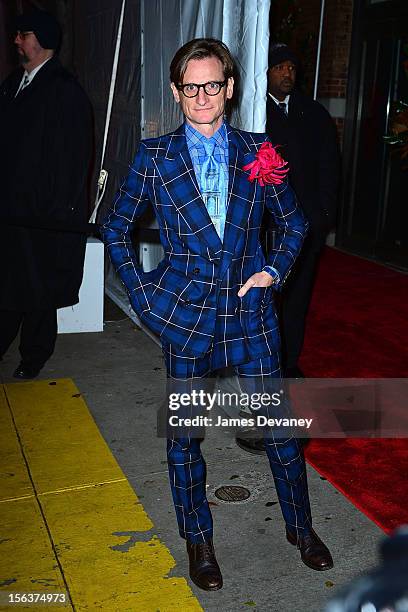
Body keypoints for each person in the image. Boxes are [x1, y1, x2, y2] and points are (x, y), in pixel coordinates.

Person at [101, 38, 333, 592]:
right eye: (191, 86)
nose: (202, 96)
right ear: (177, 92)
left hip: (252, 317)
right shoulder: (154, 157)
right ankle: (198, 539)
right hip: (184, 319)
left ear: (229, 89)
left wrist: (273, 272)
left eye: (213, 84)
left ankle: (301, 528)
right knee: (185, 438)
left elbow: (296, 225)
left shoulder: (257, 151)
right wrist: (145, 300)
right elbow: (115, 229)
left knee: (279, 430)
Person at [236, 43, 339, 455]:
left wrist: (323, 216)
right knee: (265, 305)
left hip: (305, 226)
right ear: (267, 73)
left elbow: (330, 166)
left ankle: (288, 362)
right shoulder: (254, 114)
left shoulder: (314, 113)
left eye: (291, 66)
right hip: (265, 230)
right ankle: (267, 375)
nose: (286, 72)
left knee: (297, 299)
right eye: (279, 66)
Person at [0, 9, 93, 379]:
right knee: (11, 283)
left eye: (22, 34)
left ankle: (33, 356)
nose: (16, 41)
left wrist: (56, 214)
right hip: (11, 211)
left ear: (38, 39)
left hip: (40, 215)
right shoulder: (13, 84)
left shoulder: (63, 90)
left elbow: (72, 159)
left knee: (36, 289)